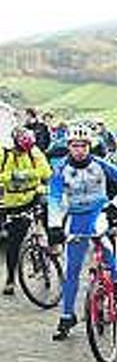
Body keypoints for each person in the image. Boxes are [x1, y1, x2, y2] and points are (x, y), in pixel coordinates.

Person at [48, 122, 117, 341]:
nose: (79, 150)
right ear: (69, 146)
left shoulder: (100, 164)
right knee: (72, 271)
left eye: (83, 145)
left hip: (99, 212)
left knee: (101, 237)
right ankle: (67, 316)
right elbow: (54, 198)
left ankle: (116, 281)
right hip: (76, 217)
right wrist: (54, 226)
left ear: (89, 146)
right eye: (75, 145)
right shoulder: (60, 169)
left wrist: (115, 204)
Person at [0, 126, 52, 295]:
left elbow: (46, 172)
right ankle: (10, 279)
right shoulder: (5, 154)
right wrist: (13, 176)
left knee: (49, 209)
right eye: (23, 148)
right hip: (13, 203)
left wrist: (25, 174)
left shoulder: (34, 151)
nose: (27, 151)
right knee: (14, 243)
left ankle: (52, 244)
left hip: (33, 197)